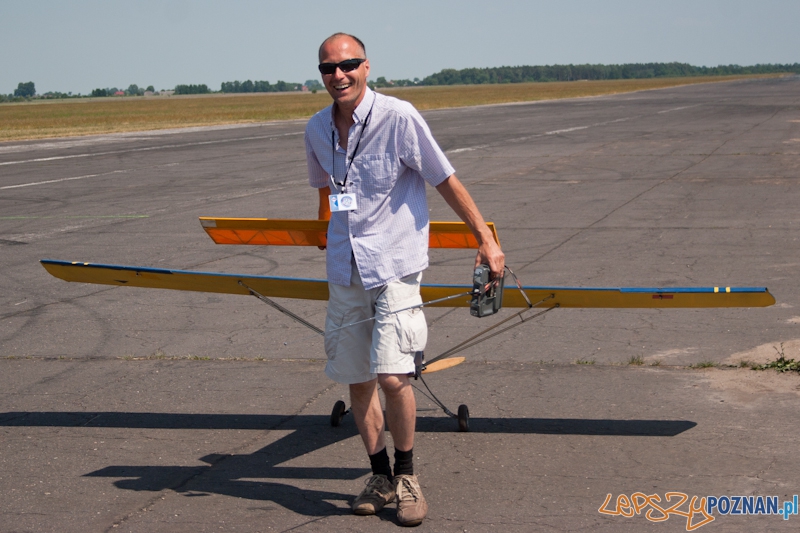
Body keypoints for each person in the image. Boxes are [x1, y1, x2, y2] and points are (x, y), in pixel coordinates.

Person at [305, 33, 504, 527]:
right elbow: (327, 193)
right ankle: (379, 475)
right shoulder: (315, 129)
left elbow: (444, 178)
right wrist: (328, 235)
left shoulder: (398, 117)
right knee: (357, 379)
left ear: (367, 67)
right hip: (345, 267)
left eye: (348, 65)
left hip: (394, 265)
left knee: (394, 376)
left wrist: (485, 237)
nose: (339, 75)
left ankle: (408, 475)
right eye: (329, 68)